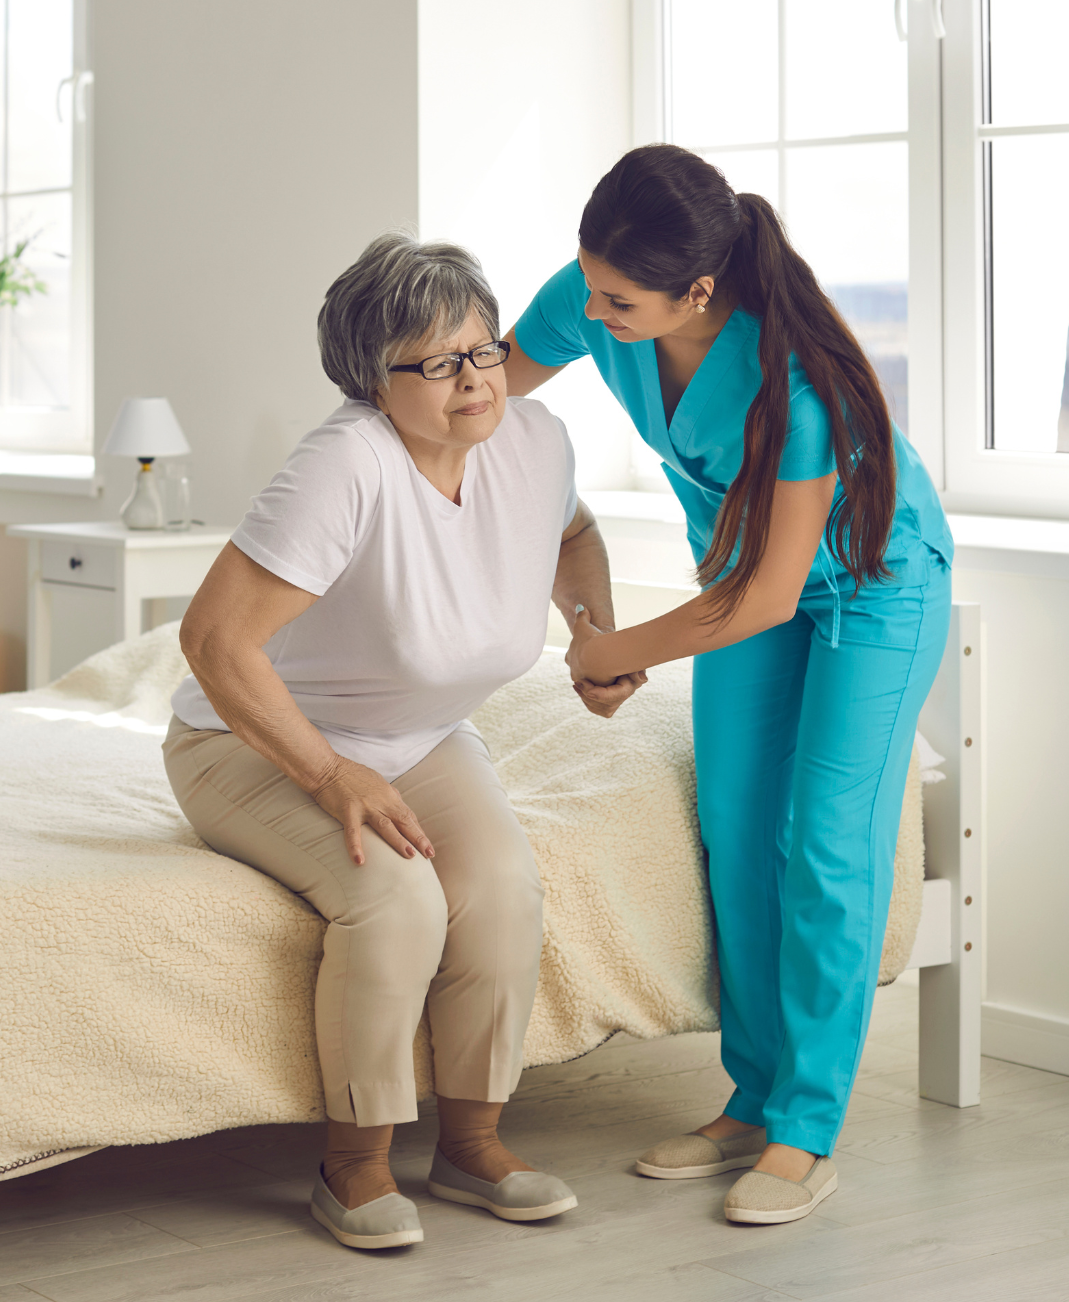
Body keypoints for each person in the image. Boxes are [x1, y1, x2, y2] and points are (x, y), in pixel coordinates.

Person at [164, 233, 643, 1250]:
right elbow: (213, 641)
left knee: (504, 890)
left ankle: (473, 1147)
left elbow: (573, 535)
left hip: (418, 736)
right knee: (393, 897)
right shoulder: (344, 466)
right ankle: (356, 1167)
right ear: (370, 381)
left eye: (481, 351)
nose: (473, 381)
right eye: (435, 363)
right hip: (254, 741)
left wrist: (592, 632)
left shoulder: (533, 439)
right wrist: (330, 774)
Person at [503, 145, 953, 1226]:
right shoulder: (591, 294)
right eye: (589, 282)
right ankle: (750, 1101)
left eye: (621, 300)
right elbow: (485, 400)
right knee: (739, 832)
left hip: (869, 593)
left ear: (696, 292)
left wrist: (622, 650)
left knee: (827, 842)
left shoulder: (798, 386)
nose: (593, 310)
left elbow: (767, 595)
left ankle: (805, 1130)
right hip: (744, 585)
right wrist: (580, 611)